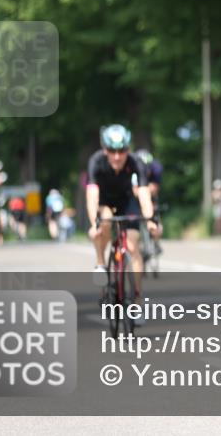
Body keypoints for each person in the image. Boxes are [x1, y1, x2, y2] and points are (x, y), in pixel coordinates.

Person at [86, 124, 156, 326]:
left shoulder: (136, 162)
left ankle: (136, 301)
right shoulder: (96, 162)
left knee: (133, 247)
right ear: (104, 149)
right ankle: (101, 263)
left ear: (128, 149)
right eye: (112, 151)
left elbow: (143, 194)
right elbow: (92, 194)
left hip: (127, 202)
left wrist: (150, 219)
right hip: (104, 202)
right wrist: (93, 223)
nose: (117, 156)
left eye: (122, 150)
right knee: (104, 222)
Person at [135, 149, 164, 248]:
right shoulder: (133, 167)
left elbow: (155, 187)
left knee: (154, 208)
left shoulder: (156, 168)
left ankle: (156, 237)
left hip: (149, 191)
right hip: (138, 190)